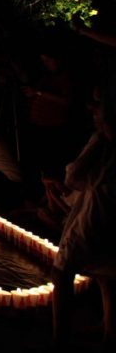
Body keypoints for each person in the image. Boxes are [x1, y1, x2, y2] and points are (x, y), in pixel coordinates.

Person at [52, 94, 116, 346]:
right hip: (109, 214)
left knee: (61, 271)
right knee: (108, 273)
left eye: (98, 109)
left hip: (95, 213)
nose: (93, 112)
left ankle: (61, 336)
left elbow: (75, 176)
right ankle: (110, 330)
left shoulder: (103, 143)